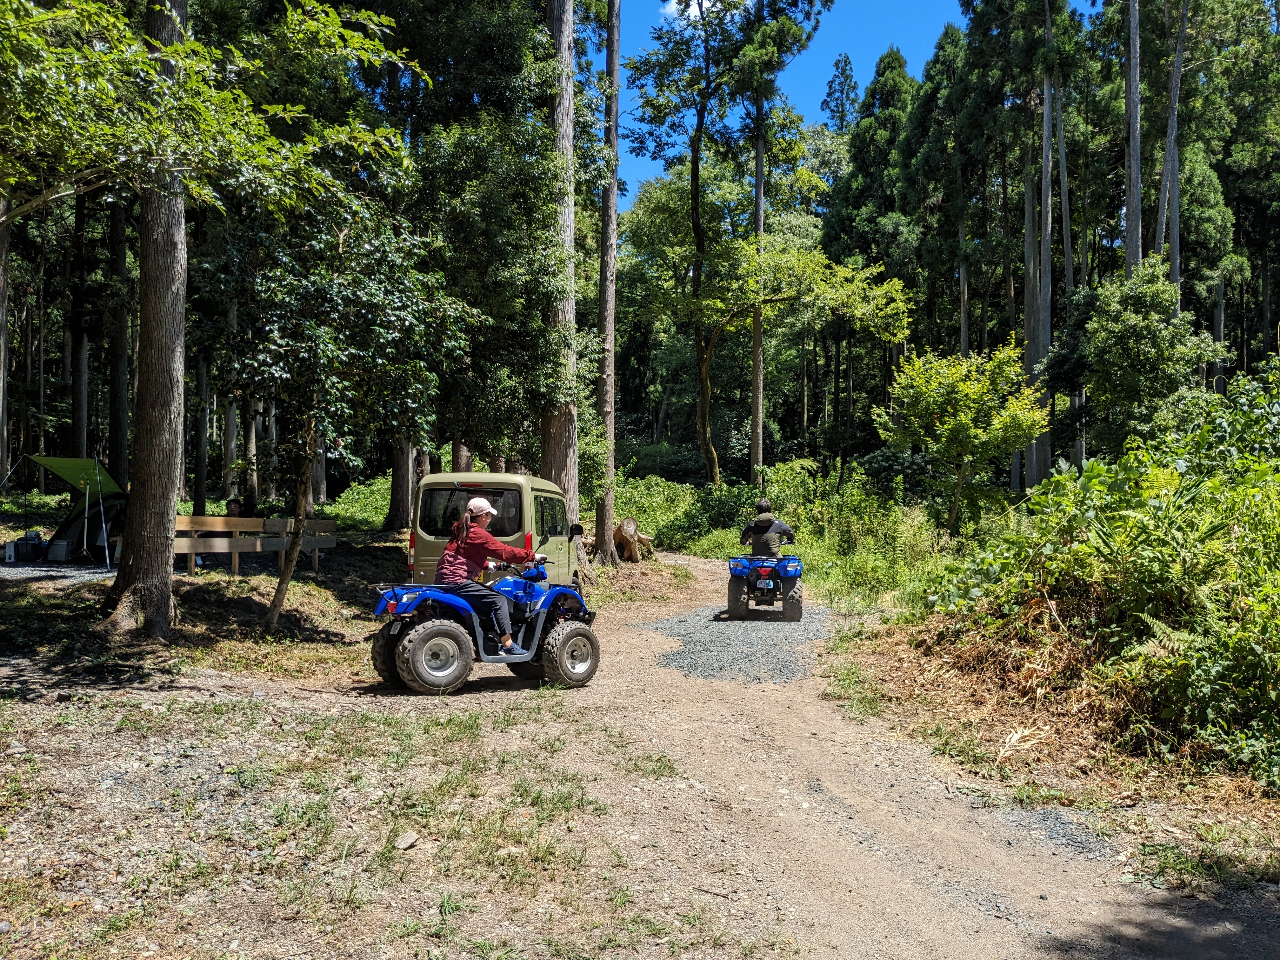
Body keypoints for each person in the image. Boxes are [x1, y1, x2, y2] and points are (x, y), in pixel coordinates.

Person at [434, 496, 539, 654]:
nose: (490, 520)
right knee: (498, 600)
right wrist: (532, 556)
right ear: (483, 516)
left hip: (445, 579)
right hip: (457, 580)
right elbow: (504, 551)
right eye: (489, 516)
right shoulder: (477, 533)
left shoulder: (461, 530)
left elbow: (464, 554)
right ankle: (508, 645)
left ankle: (488, 638)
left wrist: (488, 565)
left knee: (485, 599)